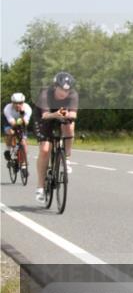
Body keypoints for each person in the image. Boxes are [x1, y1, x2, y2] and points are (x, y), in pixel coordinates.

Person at [34, 72, 78, 203]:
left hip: (60, 115)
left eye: (66, 90)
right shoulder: (45, 94)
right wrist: (56, 114)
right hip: (44, 118)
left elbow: (74, 115)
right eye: (61, 89)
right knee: (45, 149)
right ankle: (40, 187)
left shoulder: (73, 95)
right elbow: (45, 115)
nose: (64, 93)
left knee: (70, 126)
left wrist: (67, 114)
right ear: (55, 86)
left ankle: (67, 157)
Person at [3, 92, 32, 168]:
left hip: (21, 124)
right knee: (11, 132)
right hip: (10, 123)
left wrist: (22, 114)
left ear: (23, 102)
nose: (18, 105)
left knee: (24, 143)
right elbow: (13, 123)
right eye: (16, 103)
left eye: (20, 103)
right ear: (12, 103)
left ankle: (24, 162)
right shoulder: (7, 108)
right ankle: (8, 149)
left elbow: (26, 123)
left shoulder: (27, 108)